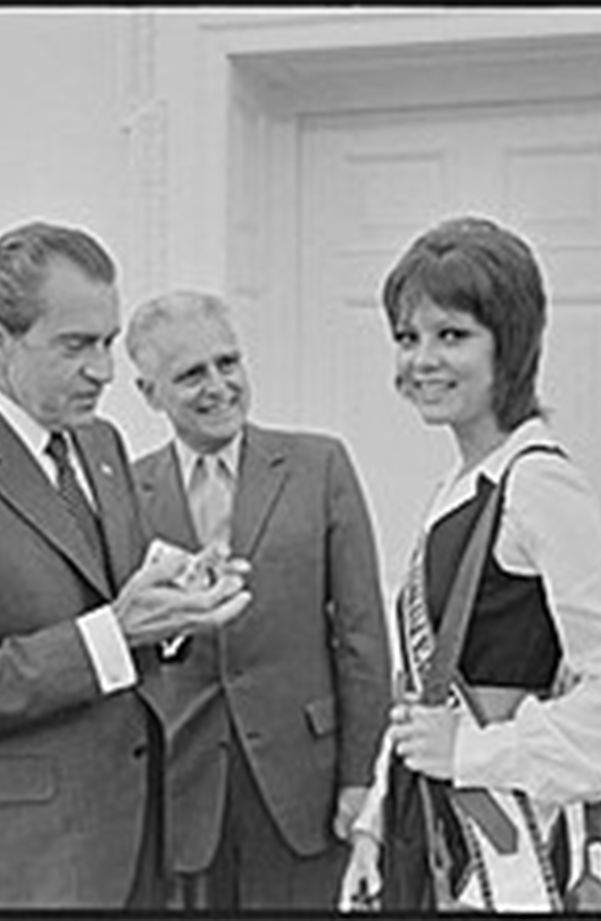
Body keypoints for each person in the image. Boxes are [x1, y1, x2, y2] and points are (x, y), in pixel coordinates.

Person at [0, 223, 250, 909]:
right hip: (18, 871)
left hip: (134, 849)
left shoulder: (101, 444)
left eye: (107, 342)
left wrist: (178, 605)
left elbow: (117, 607)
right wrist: (115, 633)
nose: (103, 369)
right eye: (76, 345)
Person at [339, 216, 601, 911]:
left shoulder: (536, 484)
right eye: (407, 337)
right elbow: (427, 688)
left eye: (452, 335)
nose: (422, 359)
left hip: (498, 846)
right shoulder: (465, 483)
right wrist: (375, 821)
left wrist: (477, 751)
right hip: (427, 828)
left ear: (512, 342)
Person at [124, 290, 392, 909]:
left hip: (306, 785)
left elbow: (361, 636)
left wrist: (361, 780)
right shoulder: (126, 494)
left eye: (228, 362)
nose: (219, 386)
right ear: (149, 393)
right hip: (178, 793)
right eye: (192, 374)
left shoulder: (319, 466)